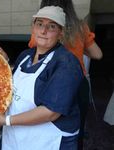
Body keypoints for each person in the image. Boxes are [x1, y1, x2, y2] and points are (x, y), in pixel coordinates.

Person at [0, 6, 83, 150]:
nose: (43, 31)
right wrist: (4, 63)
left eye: (52, 26)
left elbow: (51, 112)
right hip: (17, 135)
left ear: (61, 33)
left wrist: (6, 120)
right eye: (39, 24)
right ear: (33, 28)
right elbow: (16, 84)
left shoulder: (66, 63)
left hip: (48, 139)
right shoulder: (25, 55)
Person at [29, 1, 103, 149]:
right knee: (76, 128)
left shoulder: (42, 28)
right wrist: (80, 47)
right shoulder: (80, 26)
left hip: (50, 84)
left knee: (47, 126)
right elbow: (98, 54)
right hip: (78, 84)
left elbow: (35, 51)